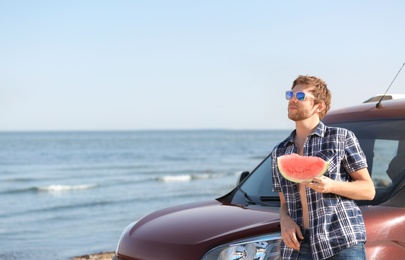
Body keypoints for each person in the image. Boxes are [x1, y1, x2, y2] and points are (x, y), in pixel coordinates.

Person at [271, 75, 375, 260]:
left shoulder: (341, 137)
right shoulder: (280, 152)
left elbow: (368, 190)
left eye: (301, 96)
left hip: (341, 241)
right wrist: (284, 221)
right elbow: (284, 203)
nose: (293, 99)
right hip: (298, 246)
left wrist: (331, 186)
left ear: (319, 106)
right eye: (290, 94)